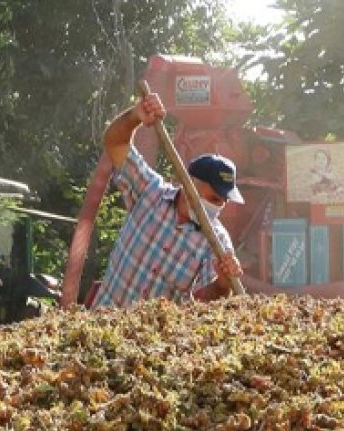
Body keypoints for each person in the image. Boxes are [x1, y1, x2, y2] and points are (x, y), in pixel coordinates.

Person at [91, 90, 244, 308]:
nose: (218, 206)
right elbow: (114, 143)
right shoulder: (150, 192)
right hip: (100, 320)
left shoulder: (217, 241)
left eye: (222, 201)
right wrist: (135, 117)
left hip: (153, 330)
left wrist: (222, 284)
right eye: (213, 197)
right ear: (190, 185)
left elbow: (208, 304)